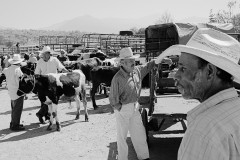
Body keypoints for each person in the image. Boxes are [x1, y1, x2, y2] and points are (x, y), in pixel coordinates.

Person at [155, 28, 240, 160]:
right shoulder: (235, 109)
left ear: (210, 72)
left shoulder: (203, 130)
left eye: (183, 68)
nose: (176, 75)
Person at [109, 47, 158, 160]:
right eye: (130, 61)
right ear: (122, 63)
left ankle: (144, 157)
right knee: (122, 138)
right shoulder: (117, 79)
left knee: (139, 135)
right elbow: (113, 99)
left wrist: (161, 59)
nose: (133, 62)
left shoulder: (136, 71)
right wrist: (121, 108)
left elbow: (149, 65)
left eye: (133, 60)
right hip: (123, 109)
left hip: (135, 107)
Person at [34, 46, 68, 124]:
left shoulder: (54, 60)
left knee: (52, 100)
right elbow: (36, 73)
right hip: (43, 83)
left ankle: (42, 115)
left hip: (53, 83)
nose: (45, 55)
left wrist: (68, 72)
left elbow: (61, 68)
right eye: (44, 54)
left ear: (49, 54)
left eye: (46, 53)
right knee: (45, 101)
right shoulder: (40, 61)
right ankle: (44, 115)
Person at [3, 54, 25, 131]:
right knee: (17, 109)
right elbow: (22, 81)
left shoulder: (8, 69)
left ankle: (13, 123)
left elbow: (3, 72)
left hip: (11, 91)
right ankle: (15, 125)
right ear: (19, 62)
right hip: (18, 92)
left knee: (14, 109)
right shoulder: (18, 70)